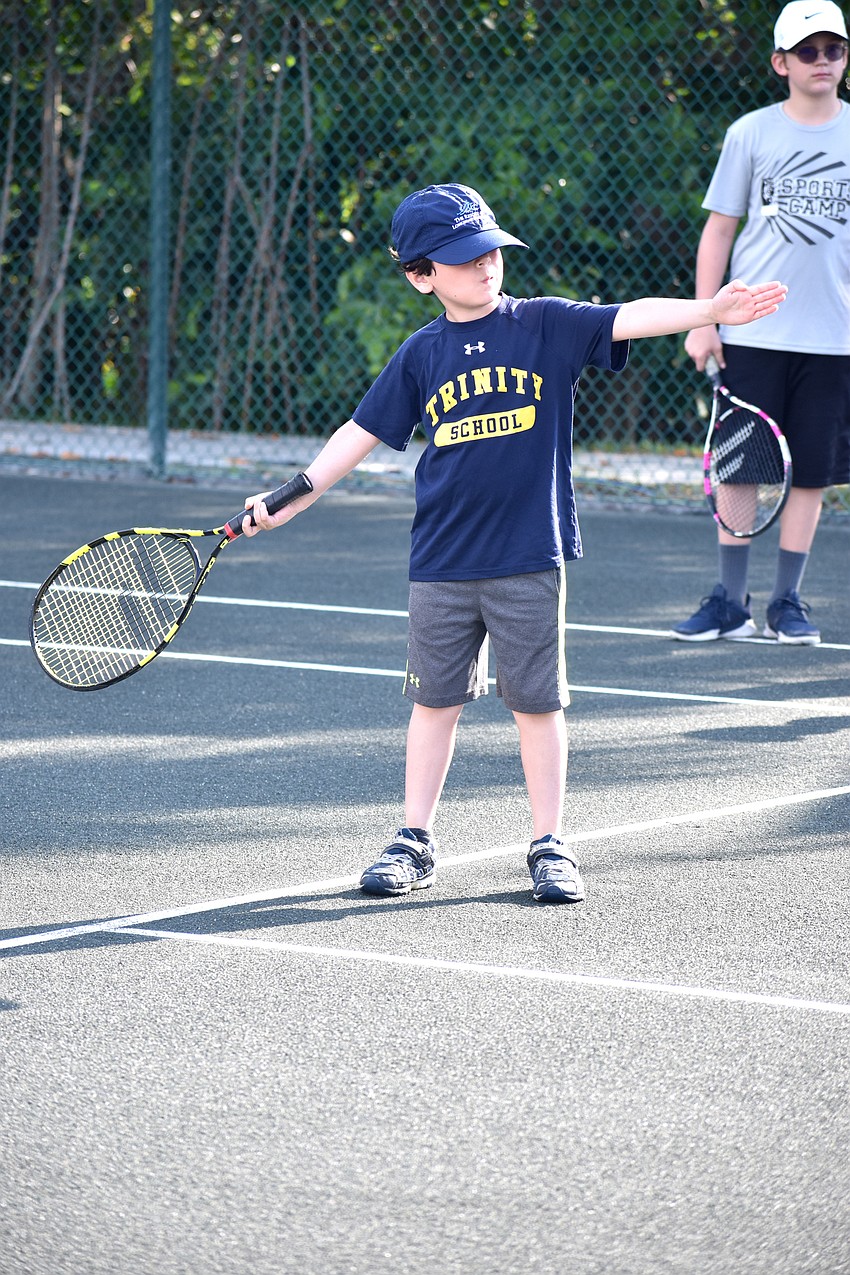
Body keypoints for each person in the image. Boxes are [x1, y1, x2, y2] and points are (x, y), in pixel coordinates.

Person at [240, 182, 785, 904]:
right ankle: (414, 839)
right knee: (434, 703)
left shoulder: (545, 324)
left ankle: (549, 843)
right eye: (464, 257)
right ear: (421, 276)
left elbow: (629, 316)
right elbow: (358, 434)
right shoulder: (420, 354)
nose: (485, 264)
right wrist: (292, 497)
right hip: (441, 560)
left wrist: (710, 310)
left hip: (529, 556)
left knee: (537, 705)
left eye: (490, 249)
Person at [674, 0, 850, 646]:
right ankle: (730, 602)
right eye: (808, 51)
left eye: (834, 49)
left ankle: (787, 603)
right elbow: (719, 231)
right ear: (781, 63)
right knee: (740, 466)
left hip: (834, 339)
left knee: (811, 473)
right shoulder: (749, 133)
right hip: (751, 332)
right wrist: (704, 319)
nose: (823, 61)